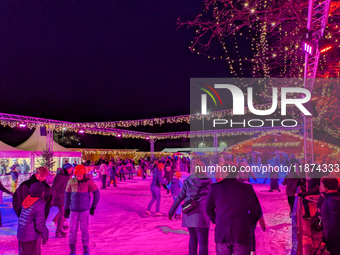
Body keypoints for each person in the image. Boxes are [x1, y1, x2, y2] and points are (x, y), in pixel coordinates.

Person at [206, 169, 262, 255]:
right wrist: (247, 223)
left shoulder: (215, 188)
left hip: (222, 232)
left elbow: (208, 209)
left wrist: (216, 220)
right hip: (241, 232)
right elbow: (257, 211)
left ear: (225, 172)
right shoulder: (247, 188)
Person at [168, 164, 212, 255]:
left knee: (193, 238)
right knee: (203, 243)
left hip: (189, 212)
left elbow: (180, 197)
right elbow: (214, 198)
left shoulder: (188, 181)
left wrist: (172, 211)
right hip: (203, 214)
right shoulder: (209, 182)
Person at [64, 165, 100, 255]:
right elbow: (67, 195)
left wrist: (93, 207)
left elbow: (97, 194)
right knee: (72, 230)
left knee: (84, 229)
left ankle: (85, 247)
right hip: (73, 210)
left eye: (80, 176)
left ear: (84, 174)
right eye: (77, 176)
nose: (79, 177)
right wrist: (66, 208)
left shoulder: (89, 182)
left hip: (84, 210)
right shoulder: (71, 181)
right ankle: (72, 247)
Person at [17, 182, 49, 255]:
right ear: (43, 192)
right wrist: (45, 235)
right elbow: (39, 224)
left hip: (22, 234)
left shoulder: (27, 200)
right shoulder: (39, 203)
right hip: (31, 237)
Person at [50, 164, 74, 237]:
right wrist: (52, 198)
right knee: (62, 212)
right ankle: (58, 229)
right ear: (66, 169)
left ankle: (60, 228)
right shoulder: (60, 177)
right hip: (59, 197)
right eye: (70, 169)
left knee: (62, 212)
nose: (71, 170)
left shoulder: (66, 176)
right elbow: (54, 188)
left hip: (64, 196)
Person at [319, 178, 340, 254]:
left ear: (327, 186)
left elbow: (335, 223)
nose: (320, 187)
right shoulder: (328, 198)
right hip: (330, 237)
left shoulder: (333, 200)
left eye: (321, 185)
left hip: (335, 240)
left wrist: (329, 240)